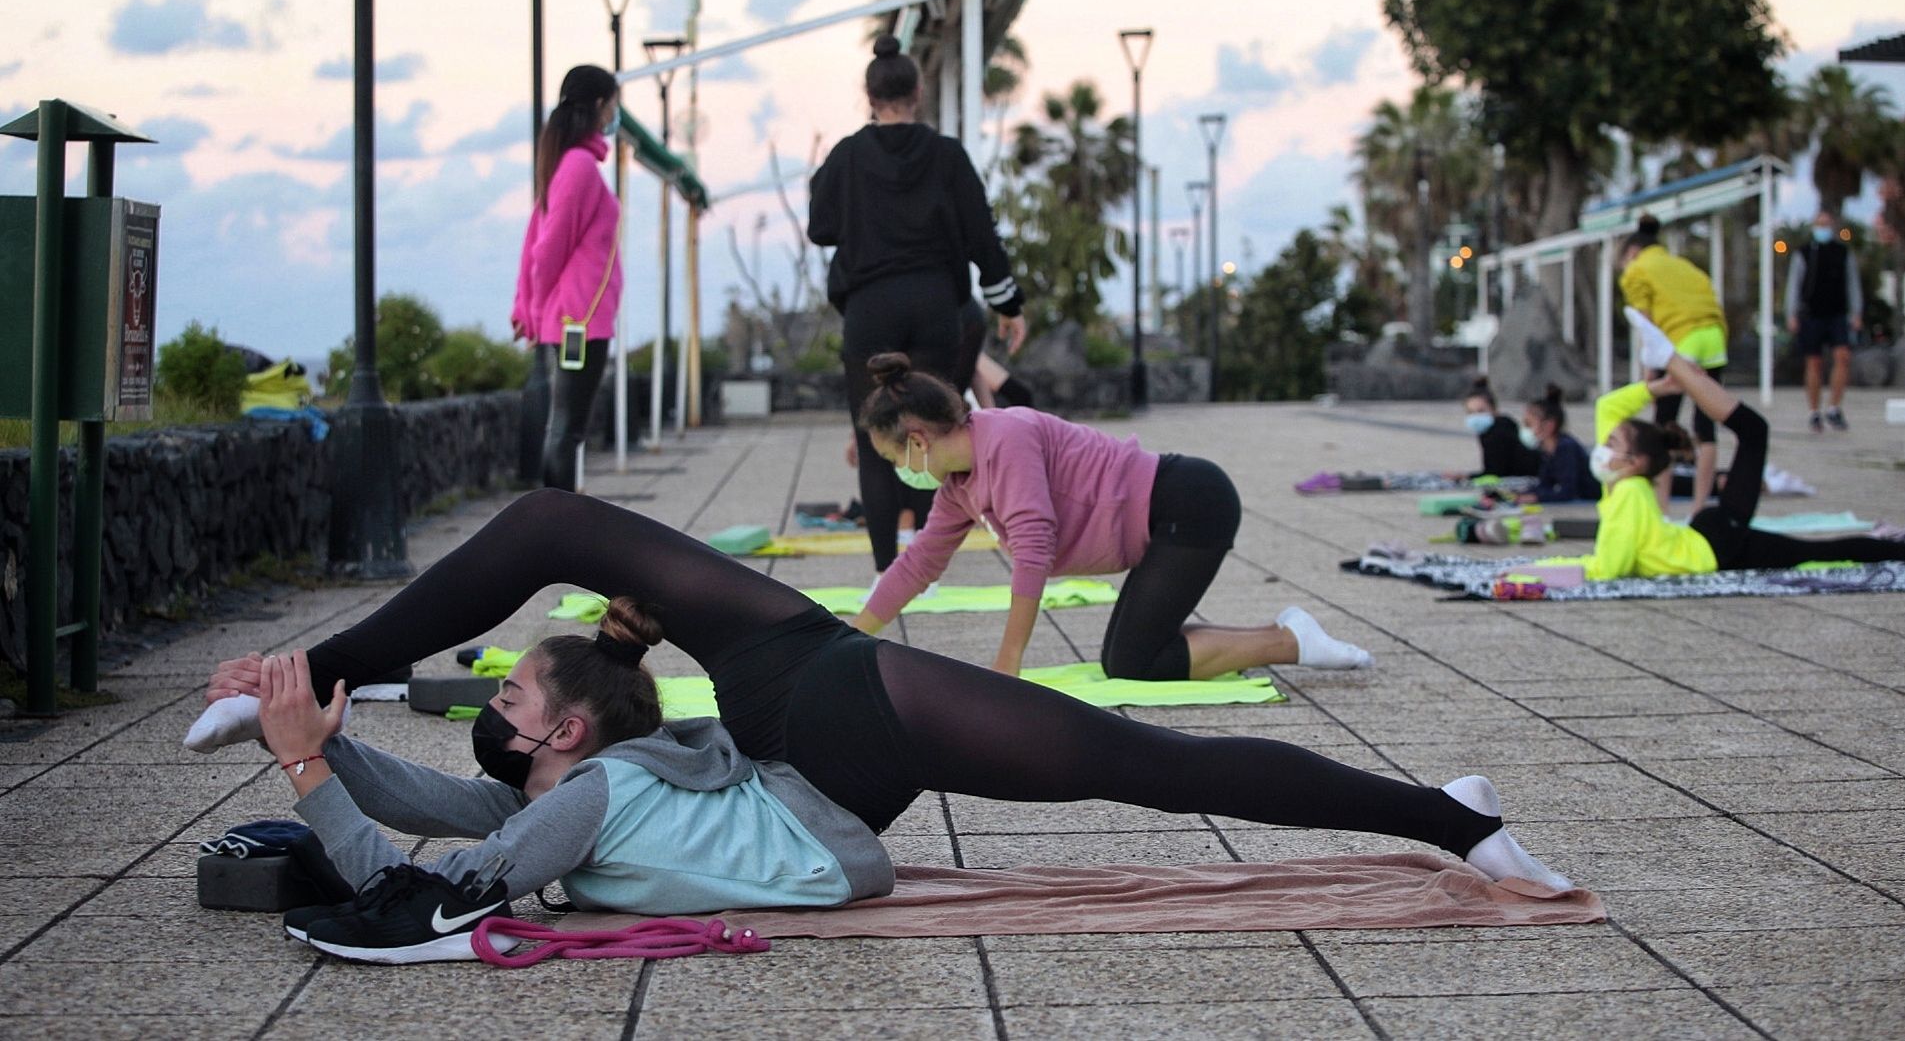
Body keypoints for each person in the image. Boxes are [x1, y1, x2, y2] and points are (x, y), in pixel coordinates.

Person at [186, 494, 1575, 916]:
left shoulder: (583, 772)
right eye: (514, 683)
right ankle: (1443, 814)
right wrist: (320, 748)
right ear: (558, 736)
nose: (505, 678)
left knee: (1150, 762)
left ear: (563, 734)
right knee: (1149, 764)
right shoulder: (558, 784)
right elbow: (449, 810)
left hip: (829, 704)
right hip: (809, 720)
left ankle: (1445, 817)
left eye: (512, 673)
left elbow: (430, 890)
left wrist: (305, 724)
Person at [250, 601, 890, 964]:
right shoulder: (569, 786)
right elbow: (419, 799)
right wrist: (305, 735)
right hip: (818, 825)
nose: (490, 711)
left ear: (566, 734)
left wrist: (303, 765)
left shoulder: (593, 795)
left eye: (509, 697)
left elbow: (422, 903)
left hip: (833, 857)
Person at [848, 353, 1372, 679]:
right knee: (1133, 653)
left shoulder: (1006, 437)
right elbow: (918, 565)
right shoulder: (957, 486)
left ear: (917, 440)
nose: (901, 473)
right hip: (1164, 523)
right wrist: (848, 639)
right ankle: (1285, 630)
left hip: (1188, 505)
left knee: (1134, 662)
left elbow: (1035, 547)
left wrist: (1008, 662)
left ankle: (1290, 642)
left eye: (896, 460)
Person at [808, 36, 1028, 579]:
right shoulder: (947, 155)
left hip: (871, 308)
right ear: (920, 92)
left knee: (874, 433)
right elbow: (983, 234)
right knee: (932, 429)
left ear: (869, 94)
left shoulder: (848, 155)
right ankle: (926, 570)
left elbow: (821, 228)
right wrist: (1008, 303)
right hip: (935, 306)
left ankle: (889, 570)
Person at [1519, 307, 1905, 582]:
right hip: (1711, 537)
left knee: (1819, 550)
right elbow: (1608, 407)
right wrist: (1660, 386)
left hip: (1717, 543)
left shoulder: (1628, 494)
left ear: (1635, 462)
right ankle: (1673, 364)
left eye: (1612, 442)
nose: (1601, 448)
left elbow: (1607, 569)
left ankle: (1673, 361)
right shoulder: (1622, 482)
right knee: (1812, 548)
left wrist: (1534, 572)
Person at [512, 64, 623, 493]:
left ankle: (559, 519)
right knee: (567, 429)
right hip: (578, 320)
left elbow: (537, 236)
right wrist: (538, 312)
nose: (615, 112)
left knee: (568, 429)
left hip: (579, 318)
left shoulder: (571, 163)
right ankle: (555, 523)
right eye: (613, 103)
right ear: (599, 105)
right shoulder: (578, 166)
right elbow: (547, 247)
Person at [1618, 215, 1727, 510]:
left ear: (1631, 252)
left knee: (1663, 426)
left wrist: (1649, 378)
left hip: (1681, 342)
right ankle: (1700, 506)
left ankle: (1661, 506)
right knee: (1706, 428)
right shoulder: (1685, 266)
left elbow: (1646, 326)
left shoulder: (1636, 271)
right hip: (1714, 338)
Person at [1786, 209, 1864, 433]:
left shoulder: (1842, 252)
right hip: (1811, 314)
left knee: (1843, 356)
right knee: (1814, 362)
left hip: (1837, 314)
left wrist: (1856, 312)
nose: (1823, 228)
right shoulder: (1804, 253)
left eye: (1826, 224)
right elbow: (1794, 284)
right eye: (1820, 224)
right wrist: (1791, 313)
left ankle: (1834, 408)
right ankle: (1813, 411)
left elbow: (1852, 284)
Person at [1514, 385, 1598, 505]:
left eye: (1529, 424)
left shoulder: (1566, 447)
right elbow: (1545, 484)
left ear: (1549, 425)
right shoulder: (1547, 450)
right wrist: (1519, 495)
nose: (1526, 429)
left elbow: (1567, 492)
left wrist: (1536, 498)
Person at [1460, 378, 1540, 480]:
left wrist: (1466, 477)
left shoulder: (1498, 433)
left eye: (1481, 411)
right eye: (1470, 412)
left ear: (1494, 410)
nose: (1476, 416)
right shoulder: (1493, 429)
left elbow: (1495, 473)